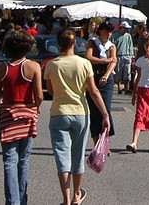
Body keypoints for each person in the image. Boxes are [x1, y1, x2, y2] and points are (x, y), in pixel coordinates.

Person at [45, 29, 109, 205]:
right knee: (78, 155)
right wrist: (105, 114)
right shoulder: (84, 64)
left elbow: (50, 90)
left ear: (58, 44)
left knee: (62, 157)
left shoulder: (51, 65)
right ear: (74, 44)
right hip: (80, 112)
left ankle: (65, 199)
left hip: (58, 112)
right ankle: (76, 195)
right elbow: (93, 91)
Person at [0, 32, 42, 205]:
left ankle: (12, 201)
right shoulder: (33, 66)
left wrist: (2, 105)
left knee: (9, 160)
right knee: (24, 160)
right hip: (27, 113)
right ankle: (21, 200)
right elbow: (39, 95)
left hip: (8, 115)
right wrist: (37, 106)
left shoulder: (2, 68)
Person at [125, 35, 149, 153]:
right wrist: (134, 92)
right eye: (147, 46)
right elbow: (139, 76)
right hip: (142, 89)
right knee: (140, 114)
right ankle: (134, 142)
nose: (148, 48)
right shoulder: (141, 60)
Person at [85, 24, 117, 140]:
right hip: (93, 76)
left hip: (107, 78)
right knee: (94, 110)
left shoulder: (111, 46)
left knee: (106, 108)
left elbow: (113, 61)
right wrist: (104, 60)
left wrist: (107, 74)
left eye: (111, 32)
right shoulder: (93, 42)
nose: (109, 34)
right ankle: (95, 141)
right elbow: (88, 57)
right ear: (101, 31)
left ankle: (105, 140)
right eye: (107, 31)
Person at [113, 23, 134, 96]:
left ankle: (127, 87)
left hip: (127, 55)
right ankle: (119, 88)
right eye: (126, 28)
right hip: (118, 55)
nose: (127, 29)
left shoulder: (128, 36)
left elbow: (130, 46)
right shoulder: (115, 36)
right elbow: (113, 46)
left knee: (127, 72)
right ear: (122, 28)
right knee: (118, 72)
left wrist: (131, 56)